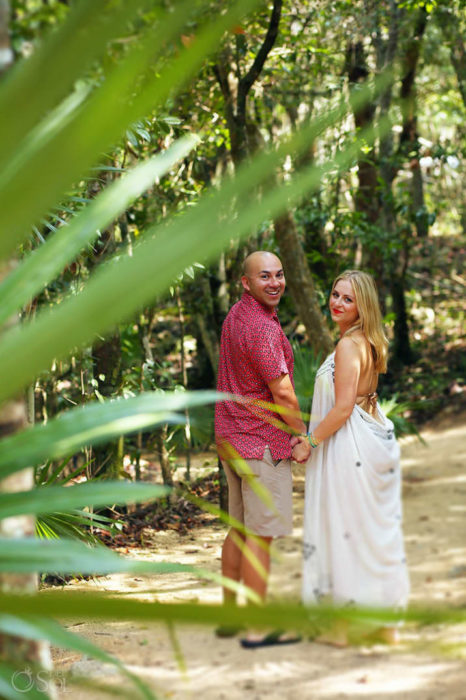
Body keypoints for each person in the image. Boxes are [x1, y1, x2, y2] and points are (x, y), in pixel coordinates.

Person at [294, 269, 410, 645]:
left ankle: (342, 628)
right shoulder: (369, 340)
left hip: (351, 446)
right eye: (335, 294)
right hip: (371, 440)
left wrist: (309, 442)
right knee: (372, 531)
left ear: (363, 305)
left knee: (343, 529)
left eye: (348, 298)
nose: (337, 303)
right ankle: (386, 624)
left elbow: (343, 408)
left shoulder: (348, 345)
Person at [215, 250, 310, 648]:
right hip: (260, 444)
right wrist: (303, 435)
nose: (274, 283)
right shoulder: (262, 329)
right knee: (261, 536)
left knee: (239, 531)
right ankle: (256, 627)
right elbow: (283, 394)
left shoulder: (236, 315)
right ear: (246, 282)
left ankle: (231, 617)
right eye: (264, 277)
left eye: (279, 274)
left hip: (231, 440)